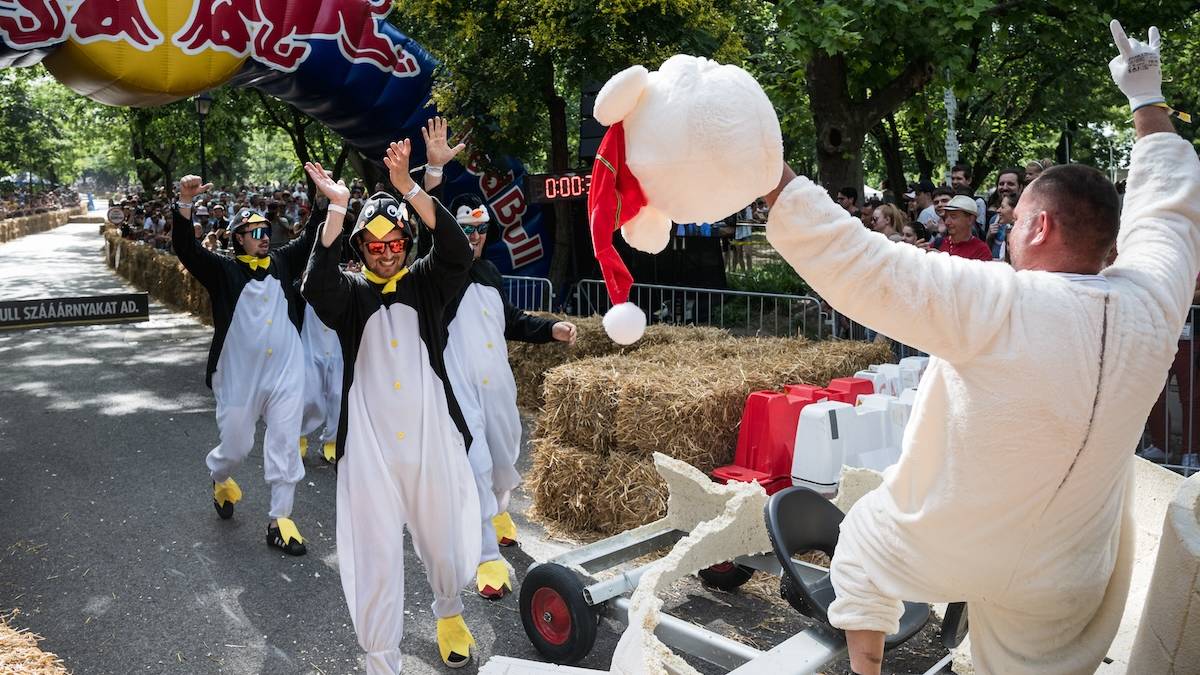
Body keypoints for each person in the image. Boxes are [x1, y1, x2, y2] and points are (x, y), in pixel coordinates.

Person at [760, 21, 1198, 674]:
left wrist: (763, 168)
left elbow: (859, 264)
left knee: (863, 544)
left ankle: (865, 669)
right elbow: (1171, 206)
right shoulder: (1155, 302)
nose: (1010, 226)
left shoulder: (999, 301)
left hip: (946, 547)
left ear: (1042, 225)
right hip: (1071, 569)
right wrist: (1146, 98)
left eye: (1018, 218)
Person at [301, 139, 481, 673]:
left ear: (406, 241)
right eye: (374, 246)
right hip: (371, 450)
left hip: (431, 439)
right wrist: (337, 208)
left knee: (445, 542)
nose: (386, 253)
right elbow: (315, 284)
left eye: (395, 242)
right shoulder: (351, 297)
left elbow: (452, 249)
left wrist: (408, 185)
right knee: (375, 557)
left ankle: (449, 611)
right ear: (360, 250)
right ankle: (382, 660)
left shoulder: (428, 284)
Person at [171, 176, 325, 557]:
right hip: (239, 377)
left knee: (285, 443)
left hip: (285, 373)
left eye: (265, 230)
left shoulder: (282, 261)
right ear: (238, 237)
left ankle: (280, 519)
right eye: (254, 231)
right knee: (238, 444)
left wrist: (322, 202)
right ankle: (219, 476)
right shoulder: (222, 270)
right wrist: (185, 203)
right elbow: (186, 250)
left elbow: (310, 239)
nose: (263, 236)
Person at [934, 195, 992, 260]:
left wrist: (942, 260)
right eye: (946, 216)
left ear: (970, 219)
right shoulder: (938, 243)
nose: (947, 222)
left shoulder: (981, 250)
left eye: (953, 216)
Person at [987, 193, 1018, 260]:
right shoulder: (998, 222)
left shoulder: (1024, 234)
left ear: (1015, 210)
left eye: (1002, 207)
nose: (998, 210)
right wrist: (989, 237)